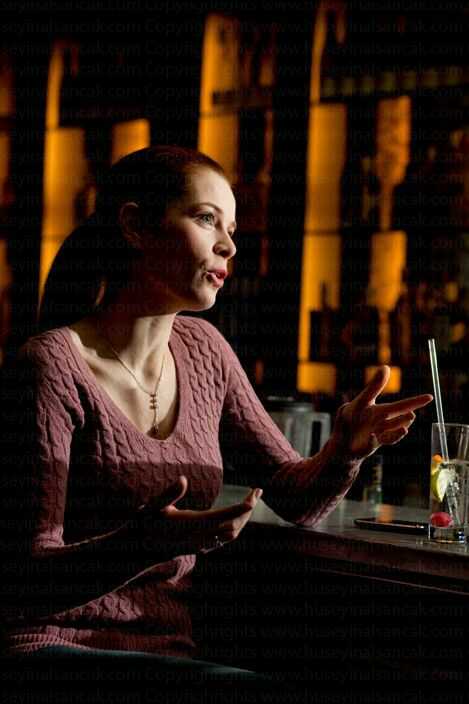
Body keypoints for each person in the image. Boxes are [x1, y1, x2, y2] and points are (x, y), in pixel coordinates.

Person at [0, 145, 432, 703]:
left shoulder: (205, 350)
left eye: (231, 228)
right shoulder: (52, 365)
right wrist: (141, 545)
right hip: (52, 649)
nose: (228, 245)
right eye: (206, 219)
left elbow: (296, 497)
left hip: (167, 655)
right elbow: (25, 580)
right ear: (135, 226)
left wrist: (344, 451)